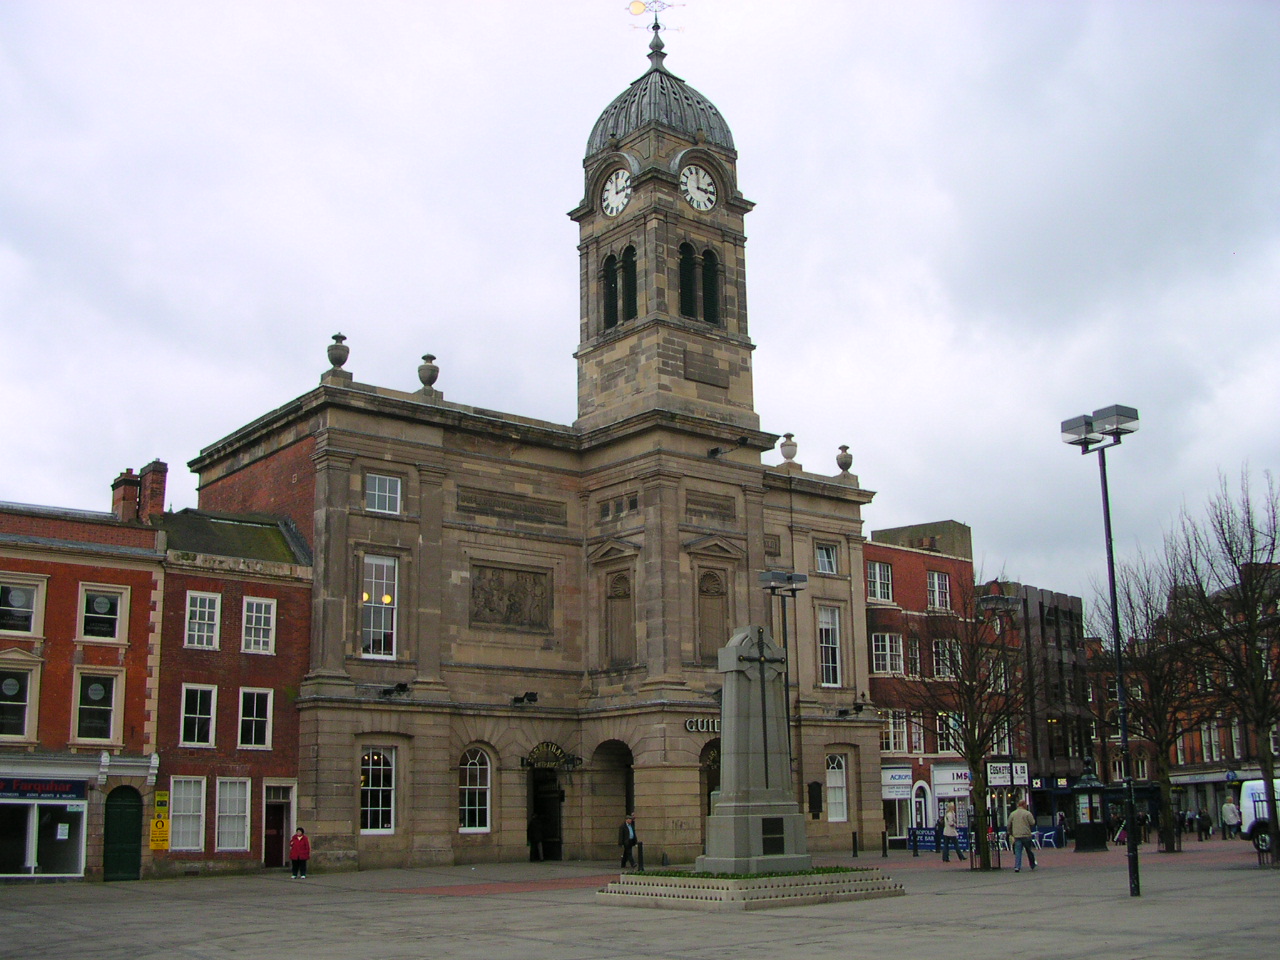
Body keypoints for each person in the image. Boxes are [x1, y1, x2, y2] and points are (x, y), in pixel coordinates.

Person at [1008, 799, 1037, 873]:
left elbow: (1009, 825)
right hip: (1026, 835)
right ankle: (1032, 864)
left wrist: (1011, 832)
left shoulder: (1013, 814)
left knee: (1018, 852)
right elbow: (1032, 822)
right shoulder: (1027, 813)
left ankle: (1017, 867)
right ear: (1024, 805)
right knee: (1029, 851)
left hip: (1017, 835)